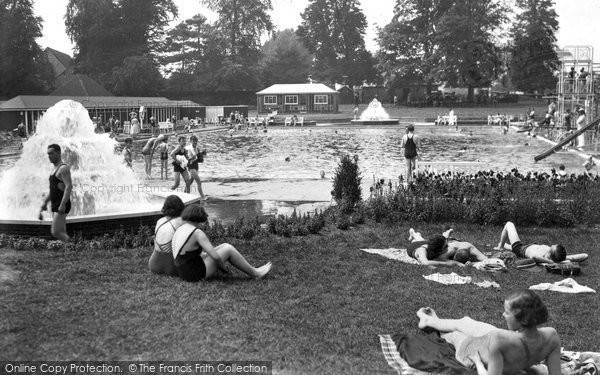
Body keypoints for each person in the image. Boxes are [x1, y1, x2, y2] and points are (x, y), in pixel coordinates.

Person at [416, 290, 561, 375]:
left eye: (507, 312)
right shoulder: (551, 336)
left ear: (522, 319)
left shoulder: (501, 340)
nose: (503, 315)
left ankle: (429, 321)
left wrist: (478, 363)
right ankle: (433, 321)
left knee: (454, 334)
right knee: (465, 321)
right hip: (495, 338)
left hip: (475, 349)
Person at [171, 204, 272, 282]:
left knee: (223, 246)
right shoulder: (196, 232)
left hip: (183, 272)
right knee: (228, 248)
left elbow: (187, 254)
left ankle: (254, 269)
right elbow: (216, 257)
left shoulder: (180, 229)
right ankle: (255, 274)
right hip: (194, 275)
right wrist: (224, 268)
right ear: (199, 217)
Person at [40, 144, 72, 243]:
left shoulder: (63, 168)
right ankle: (67, 249)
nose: (49, 156)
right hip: (56, 203)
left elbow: (69, 186)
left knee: (55, 232)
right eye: (48, 154)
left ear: (58, 153)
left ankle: (71, 245)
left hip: (62, 204)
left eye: (51, 153)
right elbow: (53, 190)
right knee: (62, 231)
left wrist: (62, 205)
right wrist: (45, 203)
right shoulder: (53, 169)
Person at [407, 228, 487, 266]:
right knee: (417, 240)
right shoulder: (422, 251)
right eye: (446, 246)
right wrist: (453, 263)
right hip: (414, 246)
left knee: (423, 240)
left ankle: (446, 234)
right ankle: (413, 233)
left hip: (426, 243)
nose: (448, 247)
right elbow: (426, 262)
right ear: (439, 249)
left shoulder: (436, 249)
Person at [494, 221, 566, 264]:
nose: (554, 244)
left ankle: (500, 247)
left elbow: (534, 257)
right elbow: (562, 258)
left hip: (519, 249)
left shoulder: (542, 256)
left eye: (554, 246)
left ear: (551, 253)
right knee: (508, 246)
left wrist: (550, 262)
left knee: (509, 224)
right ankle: (502, 245)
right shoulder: (549, 254)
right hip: (525, 247)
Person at [149, 195, 185, 276]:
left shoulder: (160, 221)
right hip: (171, 267)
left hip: (153, 265)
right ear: (180, 207)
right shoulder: (181, 221)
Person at [187, 135, 207, 200]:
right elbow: (192, 157)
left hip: (195, 165)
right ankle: (202, 196)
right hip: (191, 165)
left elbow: (200, 159)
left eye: (196, 141)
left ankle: (185, 193)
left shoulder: (197, 148)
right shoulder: (189, 148)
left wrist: (203, 154)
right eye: (193, 141)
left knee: (191, 181)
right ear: (190, 141)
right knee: (198, 181)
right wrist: (199, 153)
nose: (195, 142)